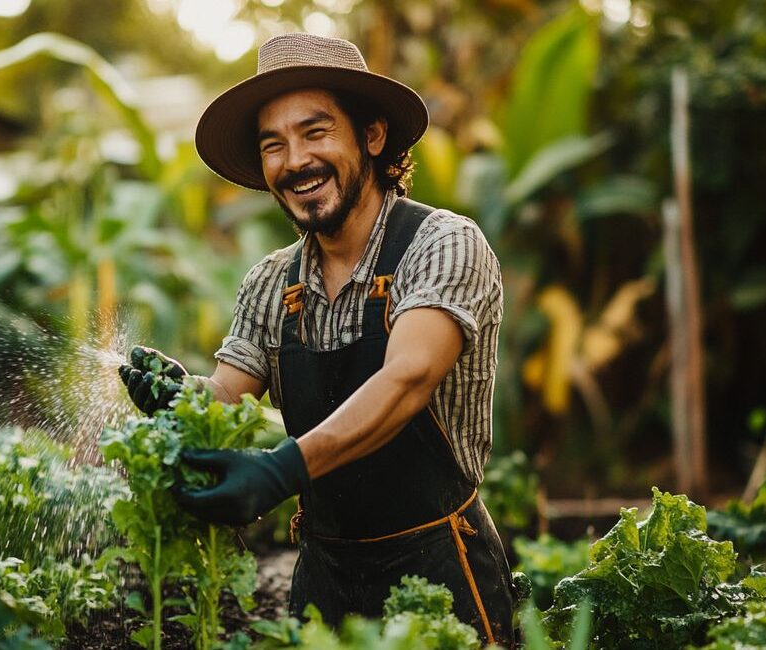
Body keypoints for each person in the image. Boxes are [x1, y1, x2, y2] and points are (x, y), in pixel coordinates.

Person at [118, 32, 516, 646]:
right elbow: (227, 392)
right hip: (323, 584)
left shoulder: (443, 244)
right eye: (272, 144)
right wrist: (180, 394)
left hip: (440, 577)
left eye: (316, 132)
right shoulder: (273, 281)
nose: (294, 160)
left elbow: (406, 378)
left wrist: (281, 471)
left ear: (372, 136)